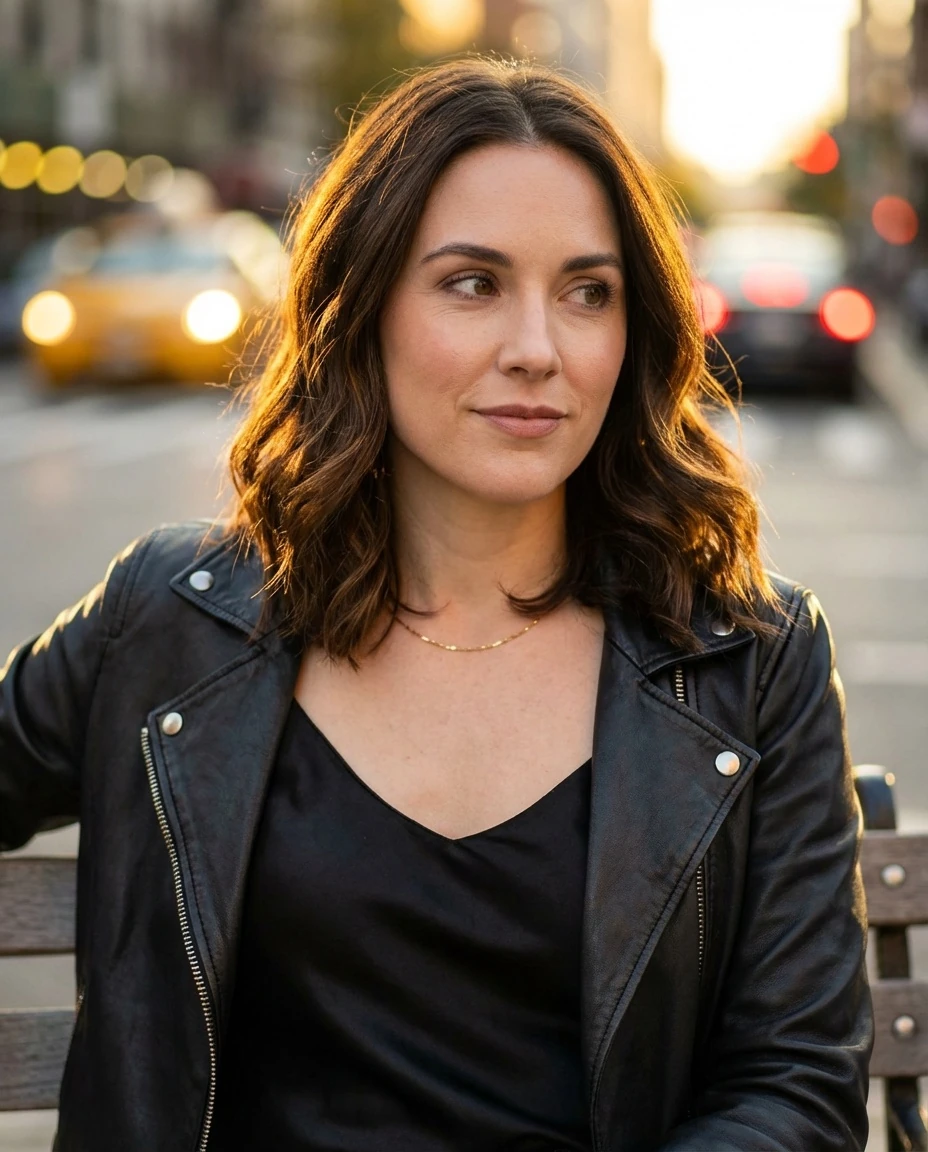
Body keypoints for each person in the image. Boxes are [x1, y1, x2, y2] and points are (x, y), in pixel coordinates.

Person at [0, 57, 871, 1152]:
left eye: (587, 293)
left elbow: (796, 1088)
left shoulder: (750, 656)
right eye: (472, 283)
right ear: (359, 307)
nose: (536, 351)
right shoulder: (170, 618)